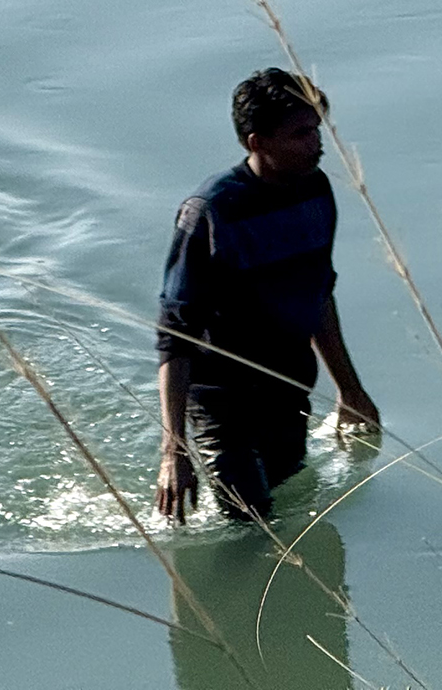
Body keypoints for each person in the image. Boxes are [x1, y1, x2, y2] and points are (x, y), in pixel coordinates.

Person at [155, 68, 378, 525]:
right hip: (223, 396)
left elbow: (319, 295)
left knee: (291, 503)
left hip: (290, 386)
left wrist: (349, 389)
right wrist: (173, 450)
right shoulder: (210, 212)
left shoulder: (316, 192)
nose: (316, 144)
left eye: (317, 129)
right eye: (300, 134)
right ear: (257, 143)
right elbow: (175, 334)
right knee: (251, 524)